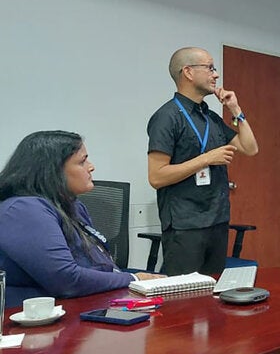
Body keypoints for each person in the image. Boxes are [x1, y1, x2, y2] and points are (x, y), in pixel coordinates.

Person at [147, 48, 258, 354]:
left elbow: (250, 148)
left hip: (215, 219)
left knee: (207, 308)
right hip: (184, 225)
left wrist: (236, 110)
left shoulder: (209, 116)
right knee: (181, 312)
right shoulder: (166, 117)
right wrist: (206, 159)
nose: (215, 74)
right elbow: (156, 176)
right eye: (209, 68)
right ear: (187, 72)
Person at [0, 131, 164, 308]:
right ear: (52, 171)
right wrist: (134, 279)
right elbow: (65, 279)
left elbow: (93, 264)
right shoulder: (23, 209)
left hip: (86, 301)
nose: (91, 167)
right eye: (82, 161)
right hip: (43, 314)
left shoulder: (72, 204)